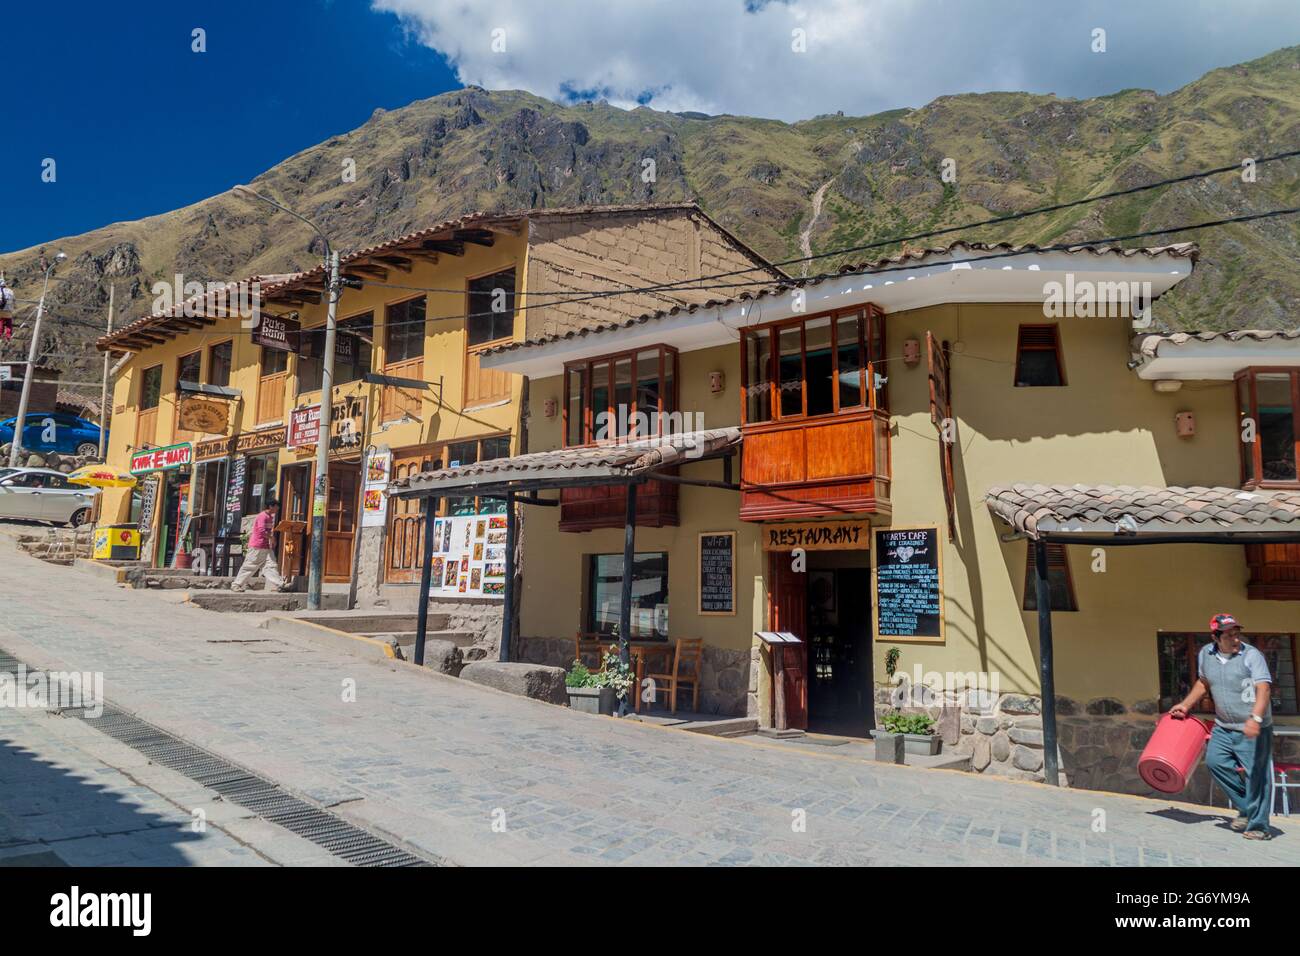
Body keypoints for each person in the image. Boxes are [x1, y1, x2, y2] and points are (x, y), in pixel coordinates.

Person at [1170, 613, 1273, 840]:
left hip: (1253, 727)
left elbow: (1263, 688)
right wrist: (1185, 705)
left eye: (1237, 634)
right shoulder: (1206, 654)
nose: (1236, 639)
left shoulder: (1251, 655)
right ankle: (1247, 808)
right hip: (1224, 725)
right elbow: (1204, 682)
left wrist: (1255, 719)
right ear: (1215, 637)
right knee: (1216, 762)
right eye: (1229, 636)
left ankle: (1259, 826)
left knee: (1257, 776)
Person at [230, 498, 288, 592]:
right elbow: (261, 531)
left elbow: (267, 531)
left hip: (265, 546)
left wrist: (271, 540)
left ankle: (280, 584)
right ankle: (236, 584)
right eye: (276, 507)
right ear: (271, 506)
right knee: (250, 565)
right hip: (257, 546)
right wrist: (272, 538)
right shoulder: (263, 516)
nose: (278, 509)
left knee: (271, 565)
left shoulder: (270, 517)